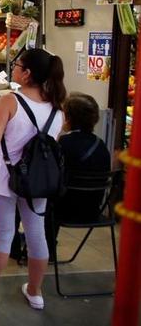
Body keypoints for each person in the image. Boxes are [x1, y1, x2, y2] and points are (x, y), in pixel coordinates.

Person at [0, 48, 66, 311]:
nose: (14, 68)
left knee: (4, 234)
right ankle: (35, 292)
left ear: (28, 73)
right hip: (39, 182)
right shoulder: (57, 108)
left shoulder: (11, 101)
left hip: (7, 180)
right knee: (37, 234)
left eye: (17, 65)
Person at [46, 92, 111, 261]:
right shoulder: (101, 145)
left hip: (64, 210)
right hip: (93, 210)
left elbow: (51, 176)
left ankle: (44, 249)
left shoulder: (64, 143)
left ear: (68, 118)